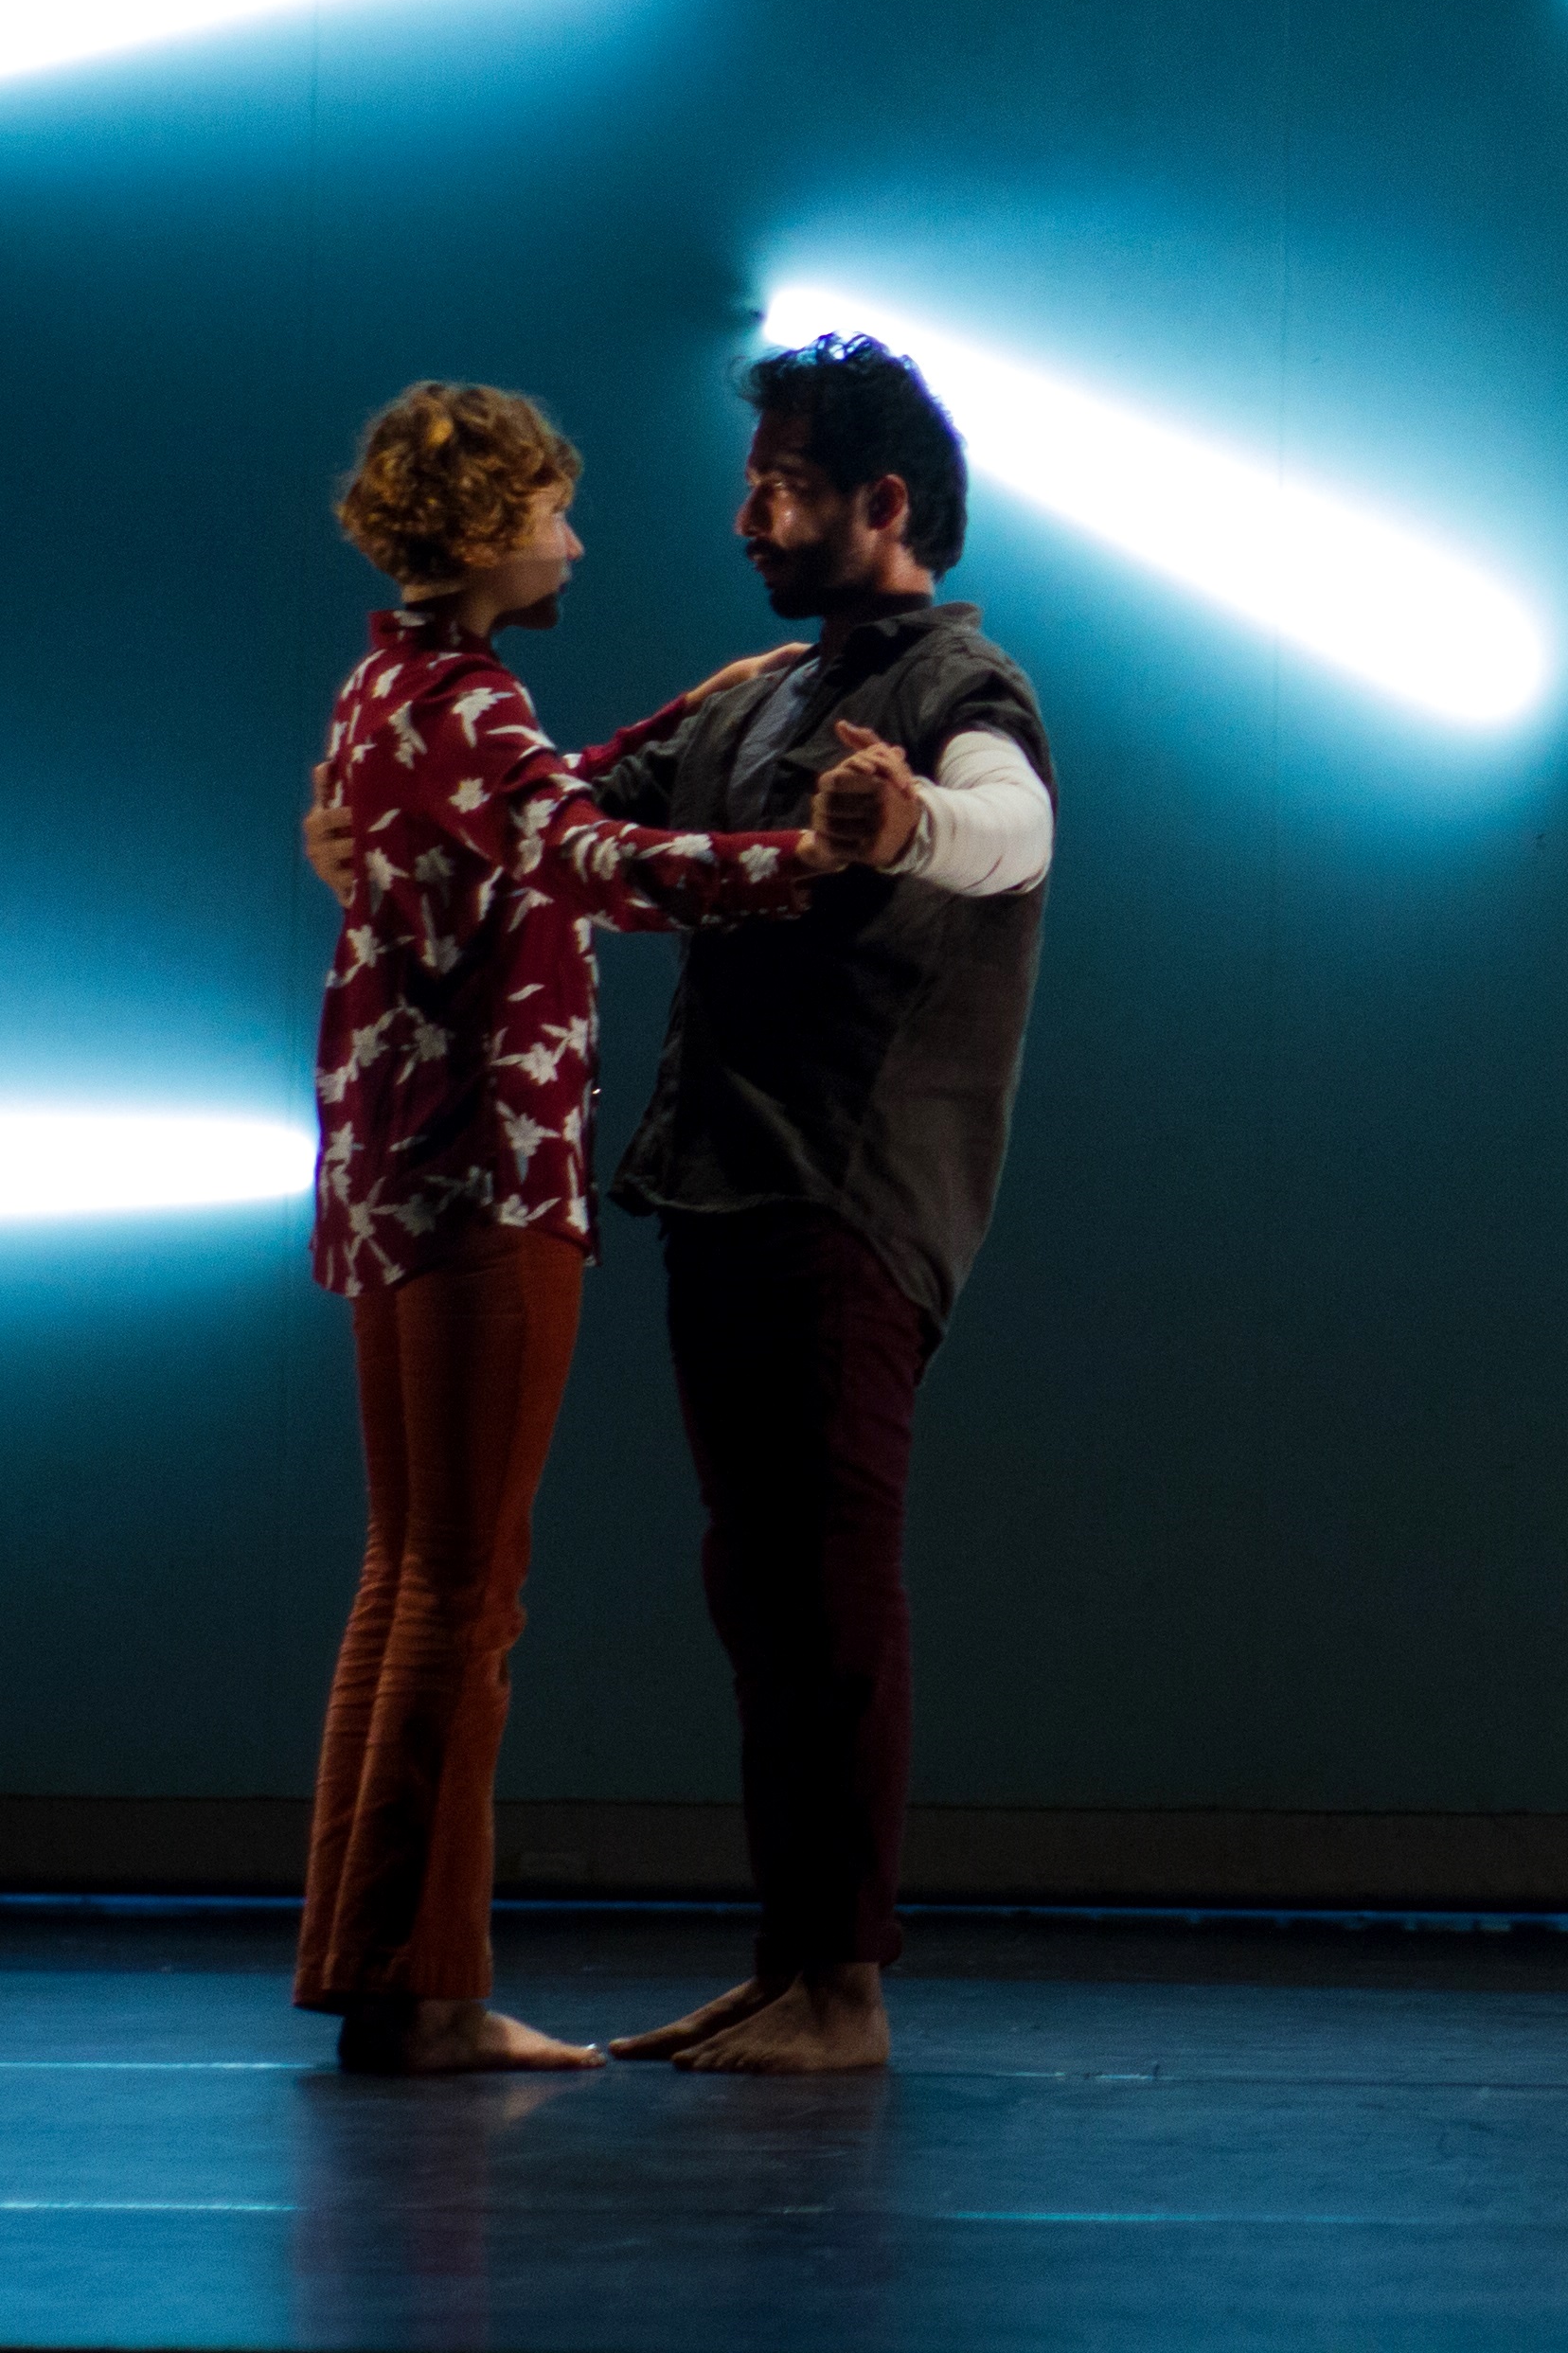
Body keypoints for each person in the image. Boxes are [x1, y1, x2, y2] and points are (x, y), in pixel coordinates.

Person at [323, 331, 1055, 2075]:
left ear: (883, 504)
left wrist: (894, 832)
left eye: (782, 488)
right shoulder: (766, 697)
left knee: (826, 1593)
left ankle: (838, 1986)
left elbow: (1010, 829)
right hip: (721, 1190)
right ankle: (793, 1965)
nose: (744, 517)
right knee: (763, 1597)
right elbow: (563, 816)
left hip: (844, 1194)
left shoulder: (963, 686)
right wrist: (379, 811)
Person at [295, 382, 868, 2077]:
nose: (577, 541)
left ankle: (378, 1971)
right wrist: (810, 856)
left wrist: (704, 701)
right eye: (553, 513)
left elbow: (535, 798)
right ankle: (433, 1995)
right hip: (491, 1168)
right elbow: (601, 861)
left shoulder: (392, 687)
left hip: (393, 1171)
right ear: (489, 533)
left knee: (410, 1572)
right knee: (470, 1590)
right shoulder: (473, 707)